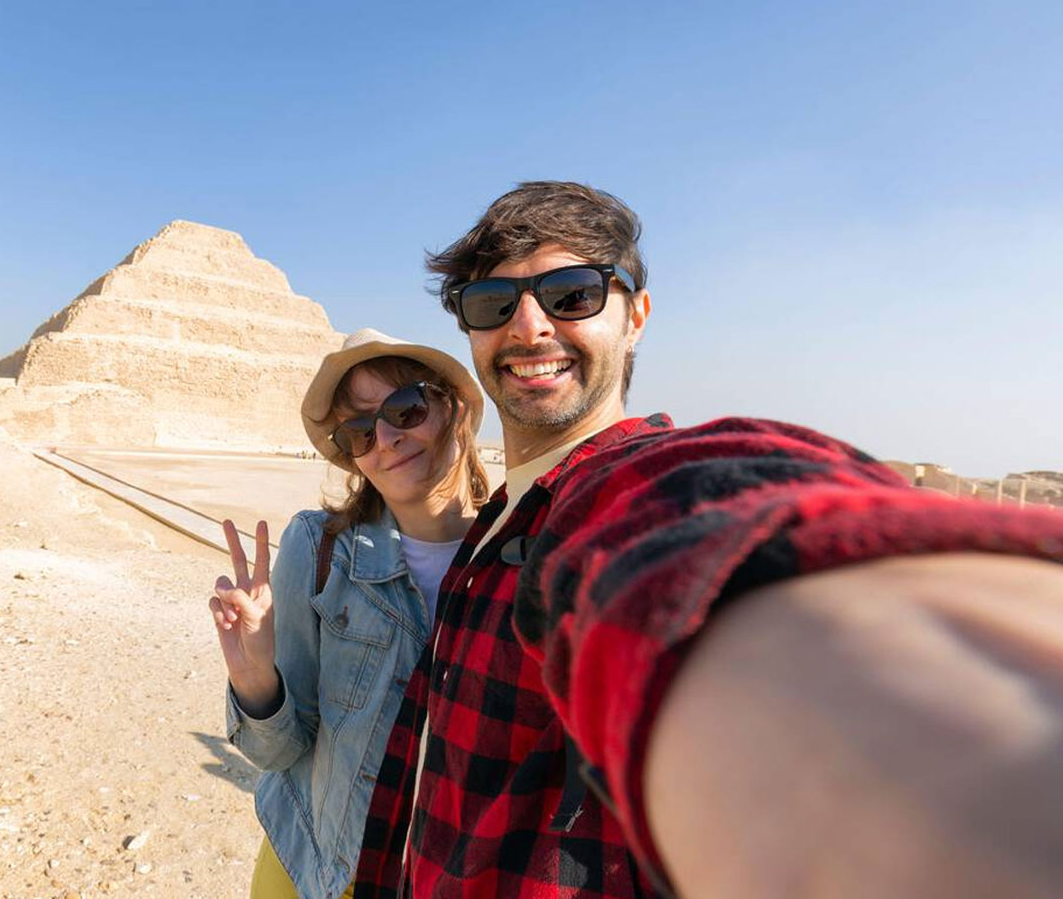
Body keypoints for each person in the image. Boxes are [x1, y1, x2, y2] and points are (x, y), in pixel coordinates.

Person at [353, 181, 1063, 898]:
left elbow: (704, 511)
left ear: (637, 317)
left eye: (571, 295)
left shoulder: (617, 493)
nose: (529, 326)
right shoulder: (498, 518)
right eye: (493, 304)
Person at [210, 329, 491, 899]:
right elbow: (278, 752)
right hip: (319, 869)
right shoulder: (319, 550)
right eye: (359, 431)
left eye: (405, 408)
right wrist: (255, 680)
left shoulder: (516, 552)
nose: (385, 439)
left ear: (454, 408)